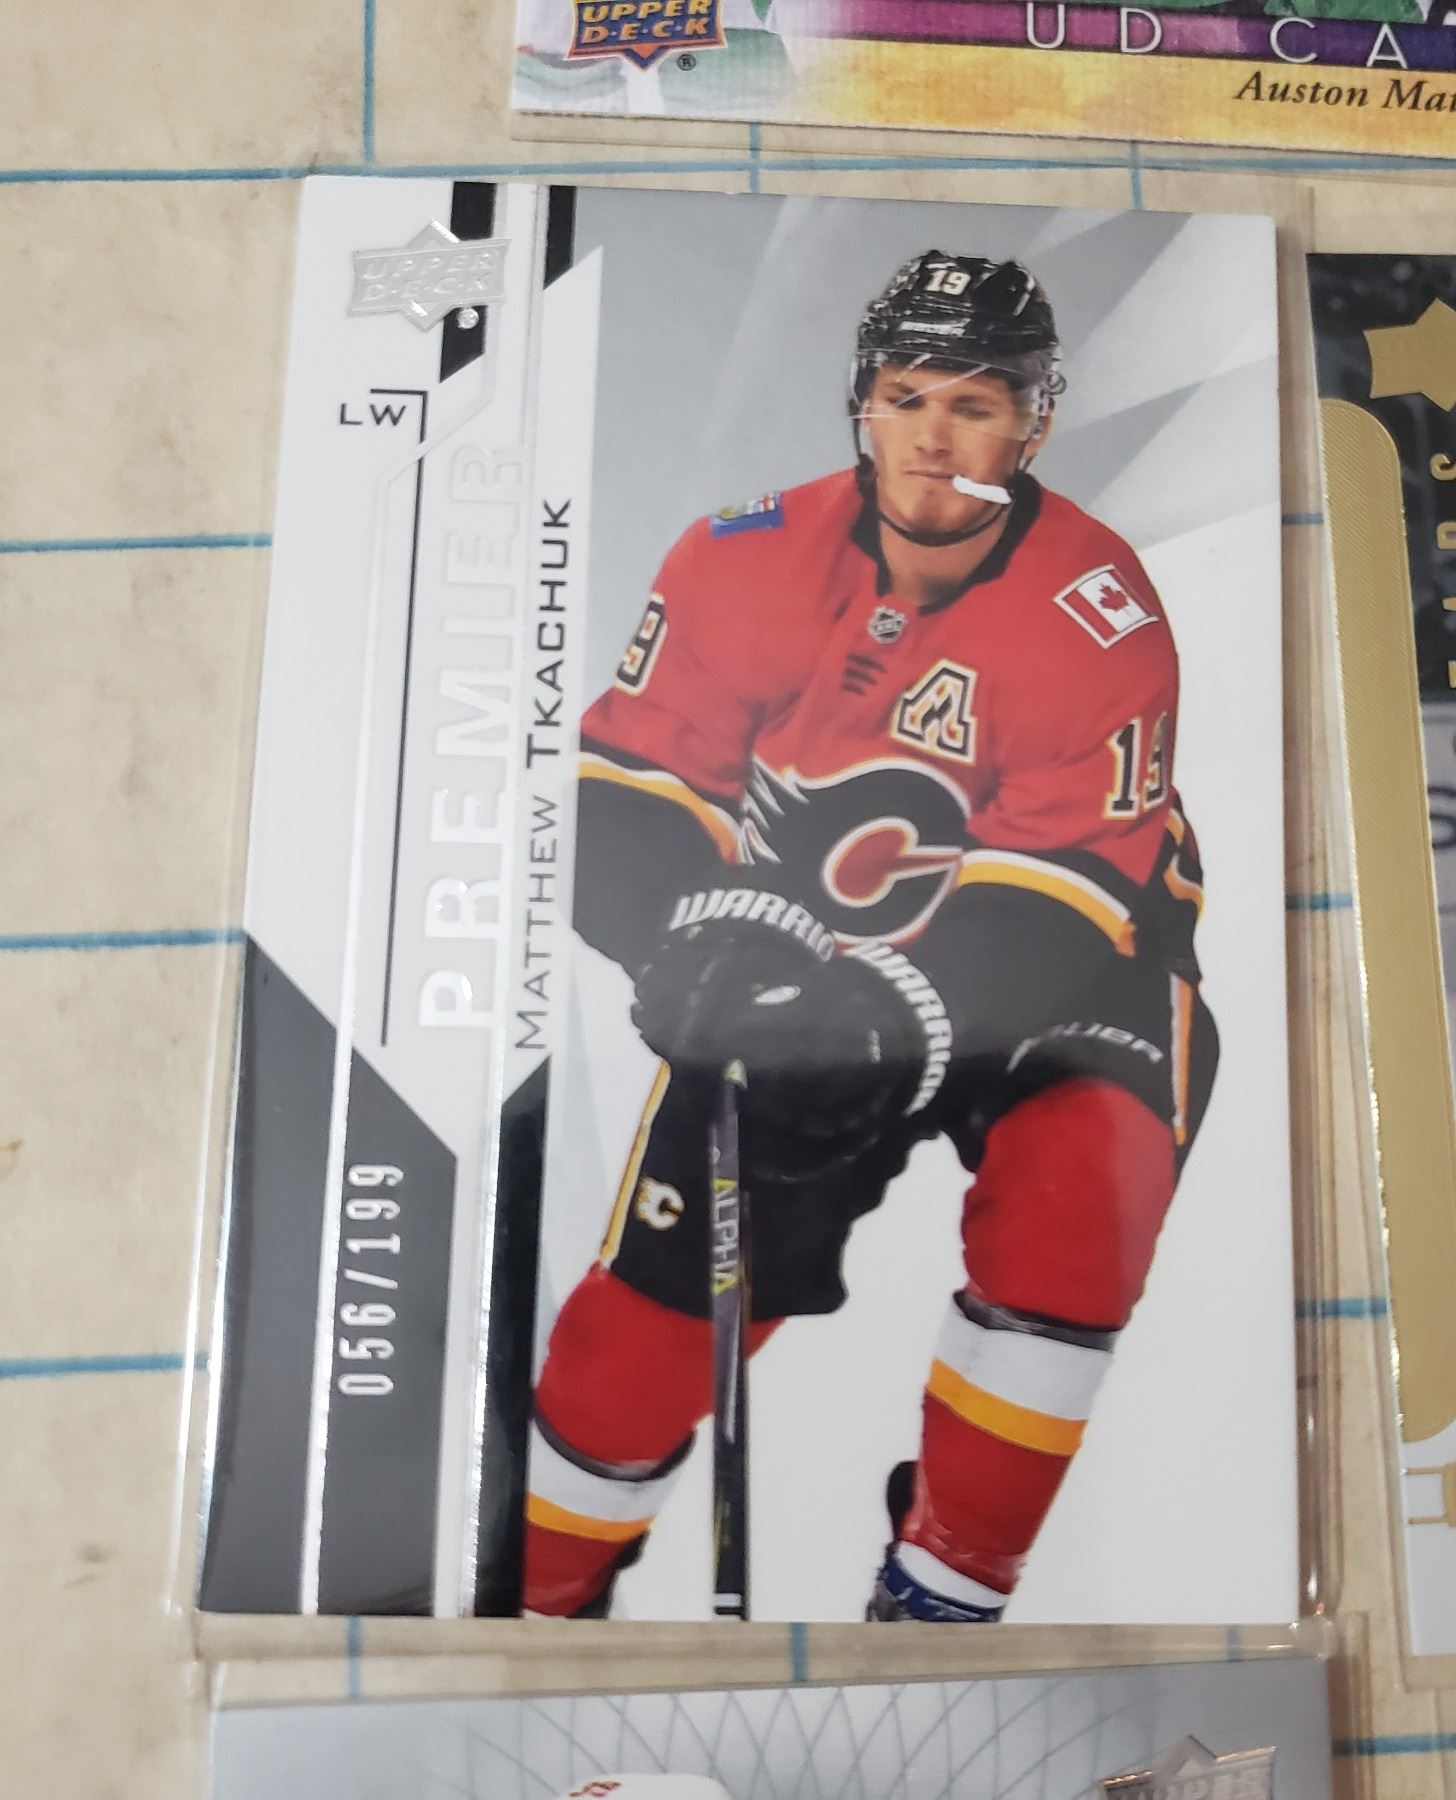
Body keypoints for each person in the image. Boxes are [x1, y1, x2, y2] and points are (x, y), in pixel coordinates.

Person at [523, 251, 1219, 1619]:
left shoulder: (1101, 607)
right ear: (861, 403)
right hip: (809, 954)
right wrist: (690, 943)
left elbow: (1067, 887)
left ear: (1035, 423)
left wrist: (892, 1019)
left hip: (1069, 967)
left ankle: (949, 1583)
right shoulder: (741, 557)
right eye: (908, 398)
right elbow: (626, 786)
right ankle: (536, 1600)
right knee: (647, 1338)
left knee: (1081, 1211)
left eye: (976, 406)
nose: (934, 439)